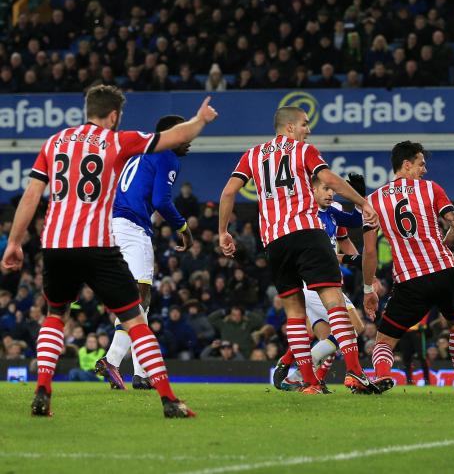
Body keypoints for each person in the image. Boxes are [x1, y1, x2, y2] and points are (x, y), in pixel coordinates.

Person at [1, 85, 217, 417]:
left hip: (56, 245)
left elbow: (31, 195)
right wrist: (200, 120)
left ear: (88, 109)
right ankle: (168, 400)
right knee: (135, 318)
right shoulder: (118, 141)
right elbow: (172, 139)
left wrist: (15, 242)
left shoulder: (54, 143)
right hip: (99, 245)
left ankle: (43, 391)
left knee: (55, 317)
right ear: (114, 115)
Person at [217, 106, 381, 395]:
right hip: (306, 233)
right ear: (290, 127)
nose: (308, 129)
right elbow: (328, 179)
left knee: (294, 313)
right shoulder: (302, 150)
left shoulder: (252, 155)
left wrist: (223, 232)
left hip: (275, 242)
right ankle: (356, 373)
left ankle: (308, 379)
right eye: (305, 124)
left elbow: (229, 191)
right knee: (334, 302)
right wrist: (362, 202)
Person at [361, 141, 454, 393]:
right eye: (421, 164)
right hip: (443, 271)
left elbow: (369, 251)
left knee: (385, 339)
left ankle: (380, 377)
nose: (425, 170)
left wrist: (369, 287)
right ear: (406, 165)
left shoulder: (373, 200)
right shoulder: (431, 190)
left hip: (410, 280)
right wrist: (441, 249)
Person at [99, 114, 195, 390]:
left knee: (141, 300)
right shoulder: (166, 154)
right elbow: (161, 201)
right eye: (184, 134)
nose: (188, 141)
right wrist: (183, 228)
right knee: (140, 297)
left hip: (113, 224)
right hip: (132, 227)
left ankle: (142, 373)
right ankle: (113, 359)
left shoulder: (140, 149)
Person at [273, 172, 368, 393]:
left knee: (328, 340)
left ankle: (307, 378)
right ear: (312, 190)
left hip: (324, 280)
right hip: (314, 281)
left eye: (332, 189)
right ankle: (295, 369)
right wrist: (351, 259)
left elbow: (355, 220)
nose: (330, 193)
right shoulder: (307, 216)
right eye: (325, 189)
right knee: (355, 327)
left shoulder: (332, 211)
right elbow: (317, 254)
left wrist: (358, 195)